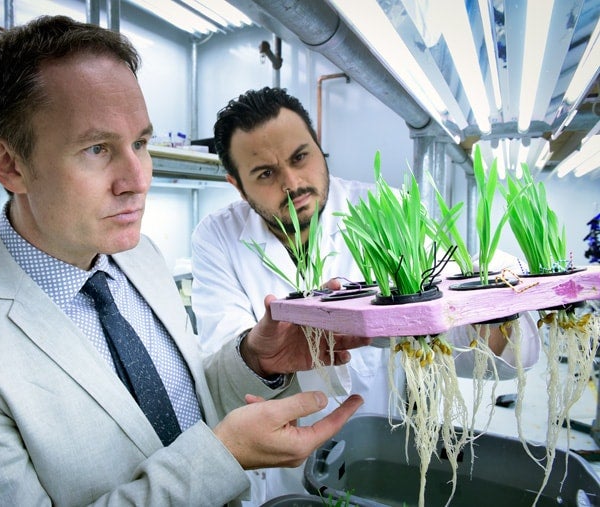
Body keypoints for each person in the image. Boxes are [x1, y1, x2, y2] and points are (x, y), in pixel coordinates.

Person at [0, 19, 365, 506]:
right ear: (10, 164)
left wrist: (255, 360)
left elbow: (188, 402)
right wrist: (221, 457)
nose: (137, 178)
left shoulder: (138, 256)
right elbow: (207, 447)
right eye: (97, 148)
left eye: (140, 143)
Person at [190, 86, 541, 504]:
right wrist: (259, 354)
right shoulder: (217, 236)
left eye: (301, 157)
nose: (292, 183)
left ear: (320, 149)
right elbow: (223, 359)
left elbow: (460, 331)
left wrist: (491, 310)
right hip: (277, 470)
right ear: (236, 183)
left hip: (379, 448)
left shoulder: (383, 207)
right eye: (265, 173)